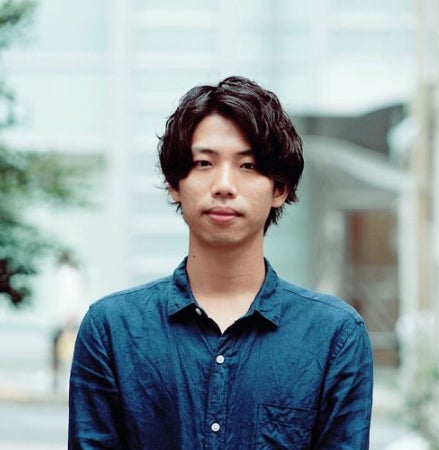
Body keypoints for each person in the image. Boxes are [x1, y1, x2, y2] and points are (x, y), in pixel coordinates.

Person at [69, 76, 373, 449]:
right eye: (204, 163)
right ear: (174, 183)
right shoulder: (111, 329)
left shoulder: (334, 336)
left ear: (279, 188)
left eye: (248, 165)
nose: (224, 185)